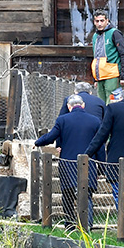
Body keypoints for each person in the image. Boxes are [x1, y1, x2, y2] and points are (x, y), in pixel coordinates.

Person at [35, 95, 102, 229]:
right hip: (89, 163)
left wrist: (37, 142)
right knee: (87, 195)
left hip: (68, 163)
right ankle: (87, 224)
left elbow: (51, 137)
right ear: (83, 105)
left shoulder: (62, 120)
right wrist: (101, 166)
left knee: (67, 194)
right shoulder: (95, 121)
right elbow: (99, 145)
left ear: (69, 107)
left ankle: (70, 223)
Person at [84, 87, 124, 215]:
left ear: (120, 98)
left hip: (116, 156)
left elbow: (102, 134)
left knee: (118, 191)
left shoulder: (113, 108)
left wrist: (88, 152)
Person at [89, 9, 124, 102]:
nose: (99, 24)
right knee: (101, 102)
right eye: (97, 21)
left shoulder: (115, 33)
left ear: (107, 21)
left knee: (111, 102)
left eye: (102, 21)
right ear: (94, 22)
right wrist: (94, 79)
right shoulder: (95, 36)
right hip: (99, 76)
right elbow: (96, 57)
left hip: (112, 74)